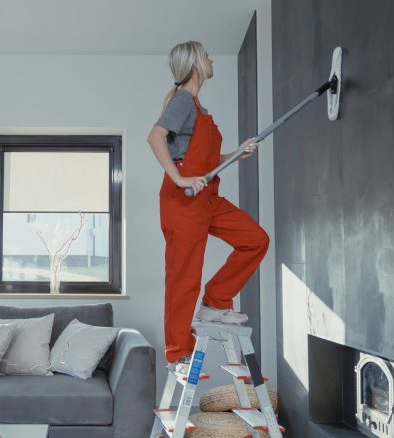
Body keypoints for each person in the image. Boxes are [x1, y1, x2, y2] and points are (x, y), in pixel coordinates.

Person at [147, 41, 270, 374]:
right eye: (208, 57)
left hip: (207, 197)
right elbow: (155, 137)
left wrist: (236, 154)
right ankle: (178, 354)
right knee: (183, 277)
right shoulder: (183, 101)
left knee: (255, 239)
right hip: (183, 201)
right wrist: (180, 179)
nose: (212, 60)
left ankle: (216, 301)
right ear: (197, 64)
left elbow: (205, 161)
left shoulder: (198, 108)